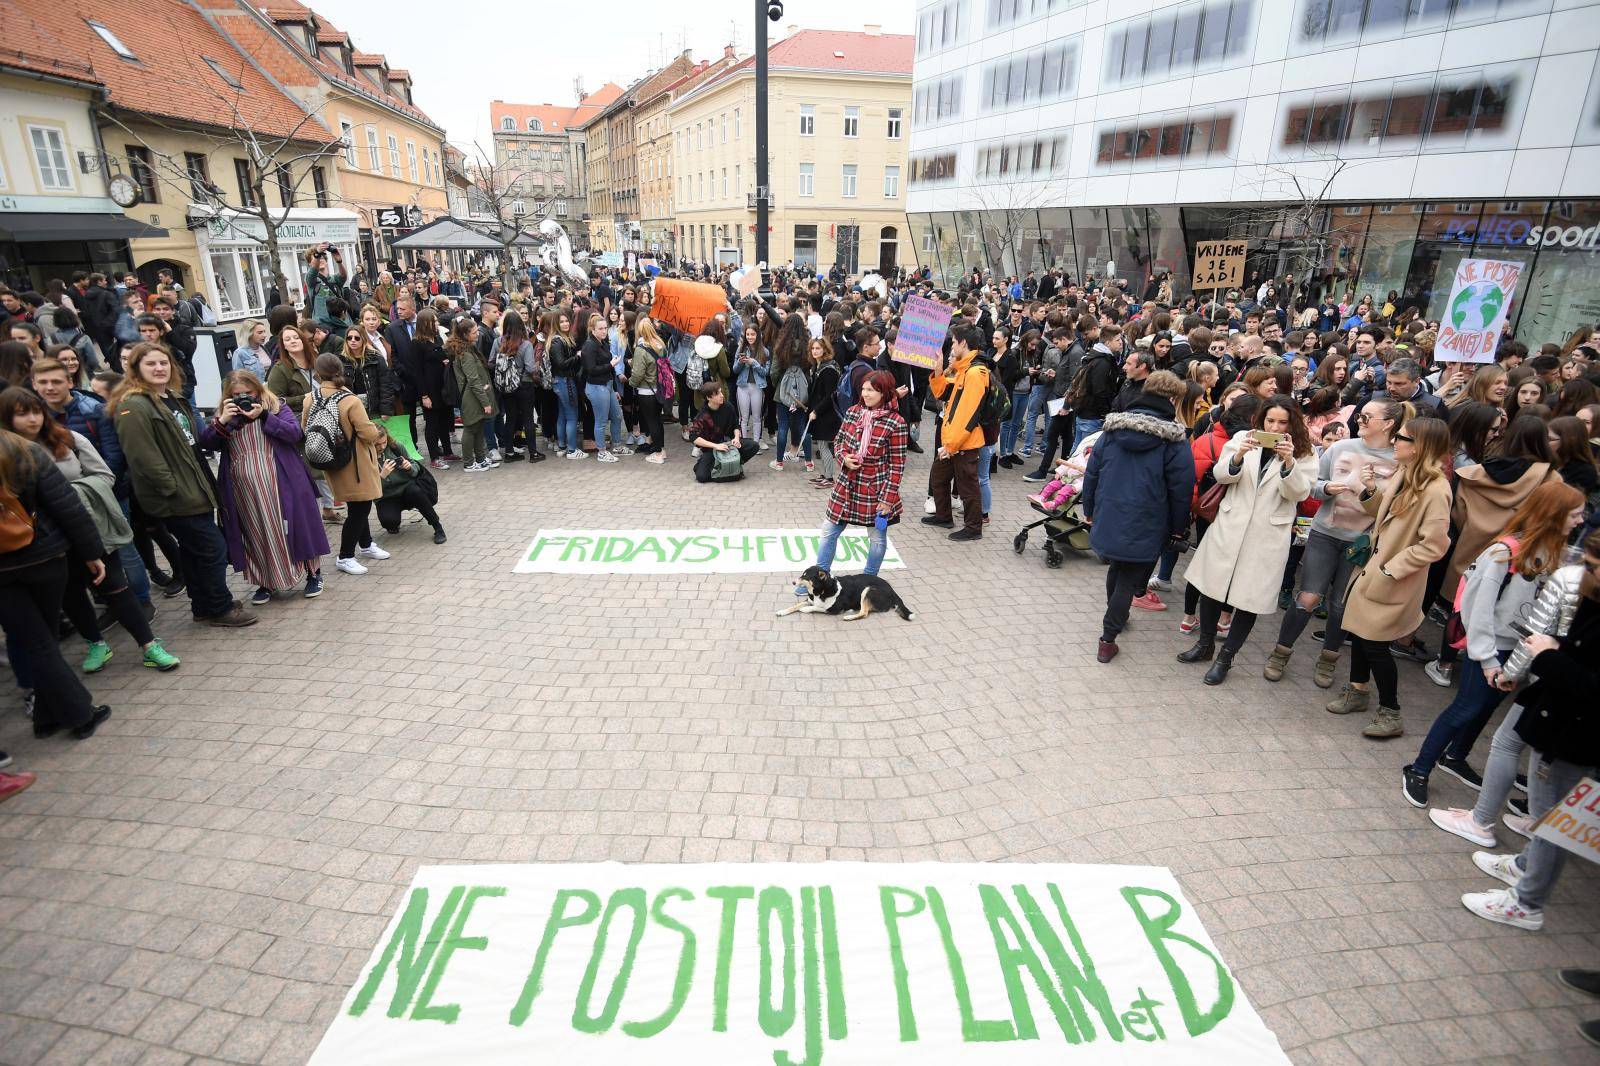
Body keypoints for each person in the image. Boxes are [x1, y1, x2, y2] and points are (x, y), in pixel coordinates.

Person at [1401, 482, 1585, 806]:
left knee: (1487, 706)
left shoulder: (1554, 554)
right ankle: (1418, 768)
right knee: (1467, 706)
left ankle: (1455, 756)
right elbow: (1478, 608)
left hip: (1517, 648)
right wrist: (1487, 658)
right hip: (1490, 645)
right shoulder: (1503, 552)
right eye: (1576, 514)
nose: (1581, 521)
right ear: (1554, 515)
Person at [1460, 533, 1600, 934]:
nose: (1583, 572)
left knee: (1552, 820)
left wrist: (1547, 653)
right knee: (1548, 816)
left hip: (1571, 733)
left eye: (1592, 565)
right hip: (1557, 718)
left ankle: (1527, 902)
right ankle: (1524, 867)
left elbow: (1590, 685)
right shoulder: (1592, 598)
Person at [0, 387, 179, 672]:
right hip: (47, 542)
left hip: (87, 526)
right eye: (22, 414)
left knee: (116, 587)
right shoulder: (7, 455)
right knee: (72, 594)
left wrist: (64, 495)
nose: (32, 419)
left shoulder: (68, 439)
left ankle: (149, 645)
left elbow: (105, 475)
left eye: (36, 411)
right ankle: (96, 643)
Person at [112, 343, 256, 628]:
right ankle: (219, 607)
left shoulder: (173, 398)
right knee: (213, 548)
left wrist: (223, 423)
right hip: (176, 495)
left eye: (163, 363)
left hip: (195, 487)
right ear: (137, 369)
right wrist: (172, 489)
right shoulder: (133, 406)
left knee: (193, 551)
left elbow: (195, 442)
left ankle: (203, 605)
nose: (159, 368)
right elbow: (143, 457)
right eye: (150, 364)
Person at [1264, 398, 1405, 687]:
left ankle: (1328, 660)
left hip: (1362, 544)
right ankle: (1280, 652)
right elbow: (1311, 484)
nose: (1359, 421)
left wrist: (1369, 491)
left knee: (1341, 605)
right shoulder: (1341, 448)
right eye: (1361, 416)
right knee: (1308, 598)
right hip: (1325, 534)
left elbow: (1395, 510)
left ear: (1388, 423)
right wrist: (1326, 488)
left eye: (1367, 417)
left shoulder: (1399, 460)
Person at [1327, 417, 1454, 738]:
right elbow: (1385, 516)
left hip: (1392, 578)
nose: (1394, 441)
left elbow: (1436, 544)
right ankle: (1357, 691)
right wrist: (1370, 492)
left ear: (1419, 447)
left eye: (1402, 437)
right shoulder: (1405, 474)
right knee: (1358, 630)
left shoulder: (1436, 488)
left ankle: (1391, 711)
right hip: (1372, 569)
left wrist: (1391, 569)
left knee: (1375, 645)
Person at [1178, 395, 1318, 684]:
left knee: (1248, 598)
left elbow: (1300, 494)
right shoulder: (1244, 437)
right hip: (1231, 523)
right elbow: (1220, 475)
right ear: (1261, 419)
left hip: (1267, 534)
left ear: (1293, 423)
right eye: (1270, 420)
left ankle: (1225, 658)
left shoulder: (1305, 452)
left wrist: (1289, 460)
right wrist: (1238, 455)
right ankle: (1204, 645)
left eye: (1282, 422)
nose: (1276, 427)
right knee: (1211, 587)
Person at [0, 421, 114, 740]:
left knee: (37, 639)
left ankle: (46, 717)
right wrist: (92, 552)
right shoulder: (22, 449)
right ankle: (80, 715)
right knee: (42, 640)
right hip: (43, 558)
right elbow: (67, 507)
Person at [1078, 371, 1195, 663]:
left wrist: (1090, 509)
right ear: (1171, 399)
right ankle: (1108, 638)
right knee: (1128, 578)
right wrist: (1179, 528)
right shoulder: (1174, 440)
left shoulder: (1112, 430)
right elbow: (1181, 489)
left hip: (1110, 510)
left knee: (1117, 569)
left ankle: (1115, 616)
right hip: (1149, 518)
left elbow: (1092, 472)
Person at [200, 370, 329, 604]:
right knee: (256, 532)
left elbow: (295, 433)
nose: (243, 398)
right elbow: (207, 443)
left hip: (282, 480)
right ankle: (266, 581)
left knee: (295, 527)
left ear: (258, 390)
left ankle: (313, 574)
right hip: (244, 489)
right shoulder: (226, 415)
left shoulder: (276, 406)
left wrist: (264, 416)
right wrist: (222, 421)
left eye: (248, 393)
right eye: (237, 394)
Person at [816, 370, 908, 576]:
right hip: (846, 484)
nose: (865, 394)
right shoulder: (853, 412)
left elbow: (897, 465)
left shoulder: (896, 422)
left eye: (871, 390)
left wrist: (887, 499)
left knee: (876, 538)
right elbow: (838, 441)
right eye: (864, 389)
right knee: (829, 532)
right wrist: (843, 458)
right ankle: (819, 578)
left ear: (884, 393)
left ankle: (869, 578)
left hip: (875, 488)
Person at [304, 354, 387, 575]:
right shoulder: (349, 400)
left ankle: (367, 544)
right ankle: (345, 556)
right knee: (360, 508)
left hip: (331, 461)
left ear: (318, 373)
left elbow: (305, 427)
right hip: (357, 463)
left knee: (356, 504)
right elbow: (368, 433)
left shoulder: (309, 398)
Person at [923, 324, 990, 541]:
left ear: (963, 342)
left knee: (967, 487)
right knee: (938, 477)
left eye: (953, 341)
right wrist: (938, 370)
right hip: (953, 441)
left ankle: (973, 528)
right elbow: (943, 392)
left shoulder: (975, 372)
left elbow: (968, 415)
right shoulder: (964, 369)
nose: (951, 345)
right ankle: (944, 516)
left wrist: (951, 446)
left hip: (963, 444)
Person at [375, 428, 447, 544]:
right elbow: (370, 490)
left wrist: (409, 467)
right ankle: (393, 521)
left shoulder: (395, 446)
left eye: (384, 442)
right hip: (386, 496)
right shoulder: (365, 456)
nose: (382, 447)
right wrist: (382, 476)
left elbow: (415, 467)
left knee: (415, 492)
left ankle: (437, 527)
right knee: (389, 521)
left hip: (406, 489)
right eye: (377, 444)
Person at [448, 316, 497, 471]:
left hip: (475, 396)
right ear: (465, 334)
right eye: (474, 332)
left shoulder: (469, 349)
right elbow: (473, 380)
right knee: (470, 429)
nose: (477, 334)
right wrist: (485, 402)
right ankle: (469, 463)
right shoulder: (466, 354)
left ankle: (480, 459)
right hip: (471, 398)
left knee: (479, 427)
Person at [689, 381, 759, 483]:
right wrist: (716, 446)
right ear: (709, 398)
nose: (722, 395)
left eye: (721, 392)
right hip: (712, 449)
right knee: (701, 477)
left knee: (754, 446)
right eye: (717, 394)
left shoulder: (728, 407)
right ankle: (715, 467)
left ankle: (734, 464)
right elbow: (693, 437)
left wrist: (736, 438)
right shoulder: (703, 415)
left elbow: (736, 425)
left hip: (729, 444)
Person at [580, 311, 626, 461]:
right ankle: (601, 451)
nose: (604, 331)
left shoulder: (603, 343)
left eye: (605, 328)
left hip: (607, 385)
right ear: (593, 330)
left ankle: (617, 445)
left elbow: (607, 368)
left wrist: (613, 389)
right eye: (600, 328)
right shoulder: (589, 345)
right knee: (601, 420)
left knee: (617, 416)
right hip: (596, 387)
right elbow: (590, 370)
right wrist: (611, 364)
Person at [629, 317, 668, 463]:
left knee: (651, 422)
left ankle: (658, 454)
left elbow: (638, 373)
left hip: (646, 390)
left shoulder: (641, 349)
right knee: (658, 420)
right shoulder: (661, 345)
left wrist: (632, 383)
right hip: (660, 389)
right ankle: (662, 450)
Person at [734, 323, 770, 449]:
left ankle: (755, 444)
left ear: (758, 335)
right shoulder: (741, 349)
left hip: (757, 387)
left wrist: (753, 363)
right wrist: (740, 362)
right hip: (743, 386)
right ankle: (743, 444)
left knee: (756, 417)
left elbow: (766, 372)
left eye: (752, 334)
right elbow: (735, 370)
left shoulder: (764, 351)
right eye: (748, 334)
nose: (750, 337)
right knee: (743, 418)